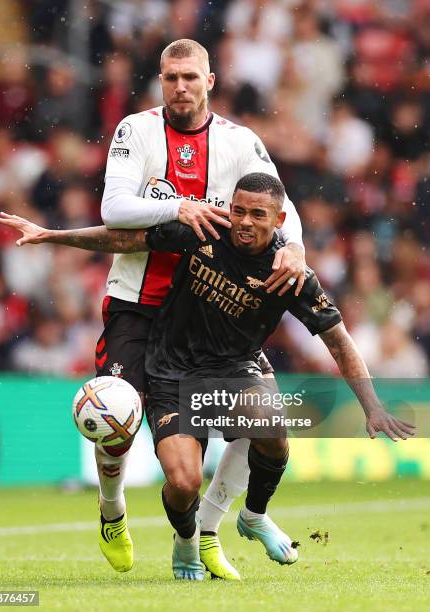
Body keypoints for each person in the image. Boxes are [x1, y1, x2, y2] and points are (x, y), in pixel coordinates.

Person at [0, 173, 414, 580]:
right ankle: (187, 539)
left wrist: (372, 406)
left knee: (272, 427)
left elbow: (339, 341)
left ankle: (253, 516)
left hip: (234, 371)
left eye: (257, 214)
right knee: (183, 482)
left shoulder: (291, 274)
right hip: (170, 370)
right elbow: (125, 239)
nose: (245, 222)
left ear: (280, 220)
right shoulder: (205, 229)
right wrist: (52, 234)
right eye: (239, 211)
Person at [91, 37, 306, 579]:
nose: (180, 87)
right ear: (160, 81)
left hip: (209, 309)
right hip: (138, 303)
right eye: (170, 78)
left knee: (261, 422)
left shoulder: (239, 142)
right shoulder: (136, 131)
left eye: (190, 77)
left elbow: (287, 208)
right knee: (114, 413)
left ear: (211, 80)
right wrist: (177, 205)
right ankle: (112, 510)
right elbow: (113, 207)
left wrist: (296, 247)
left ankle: (211, 529)